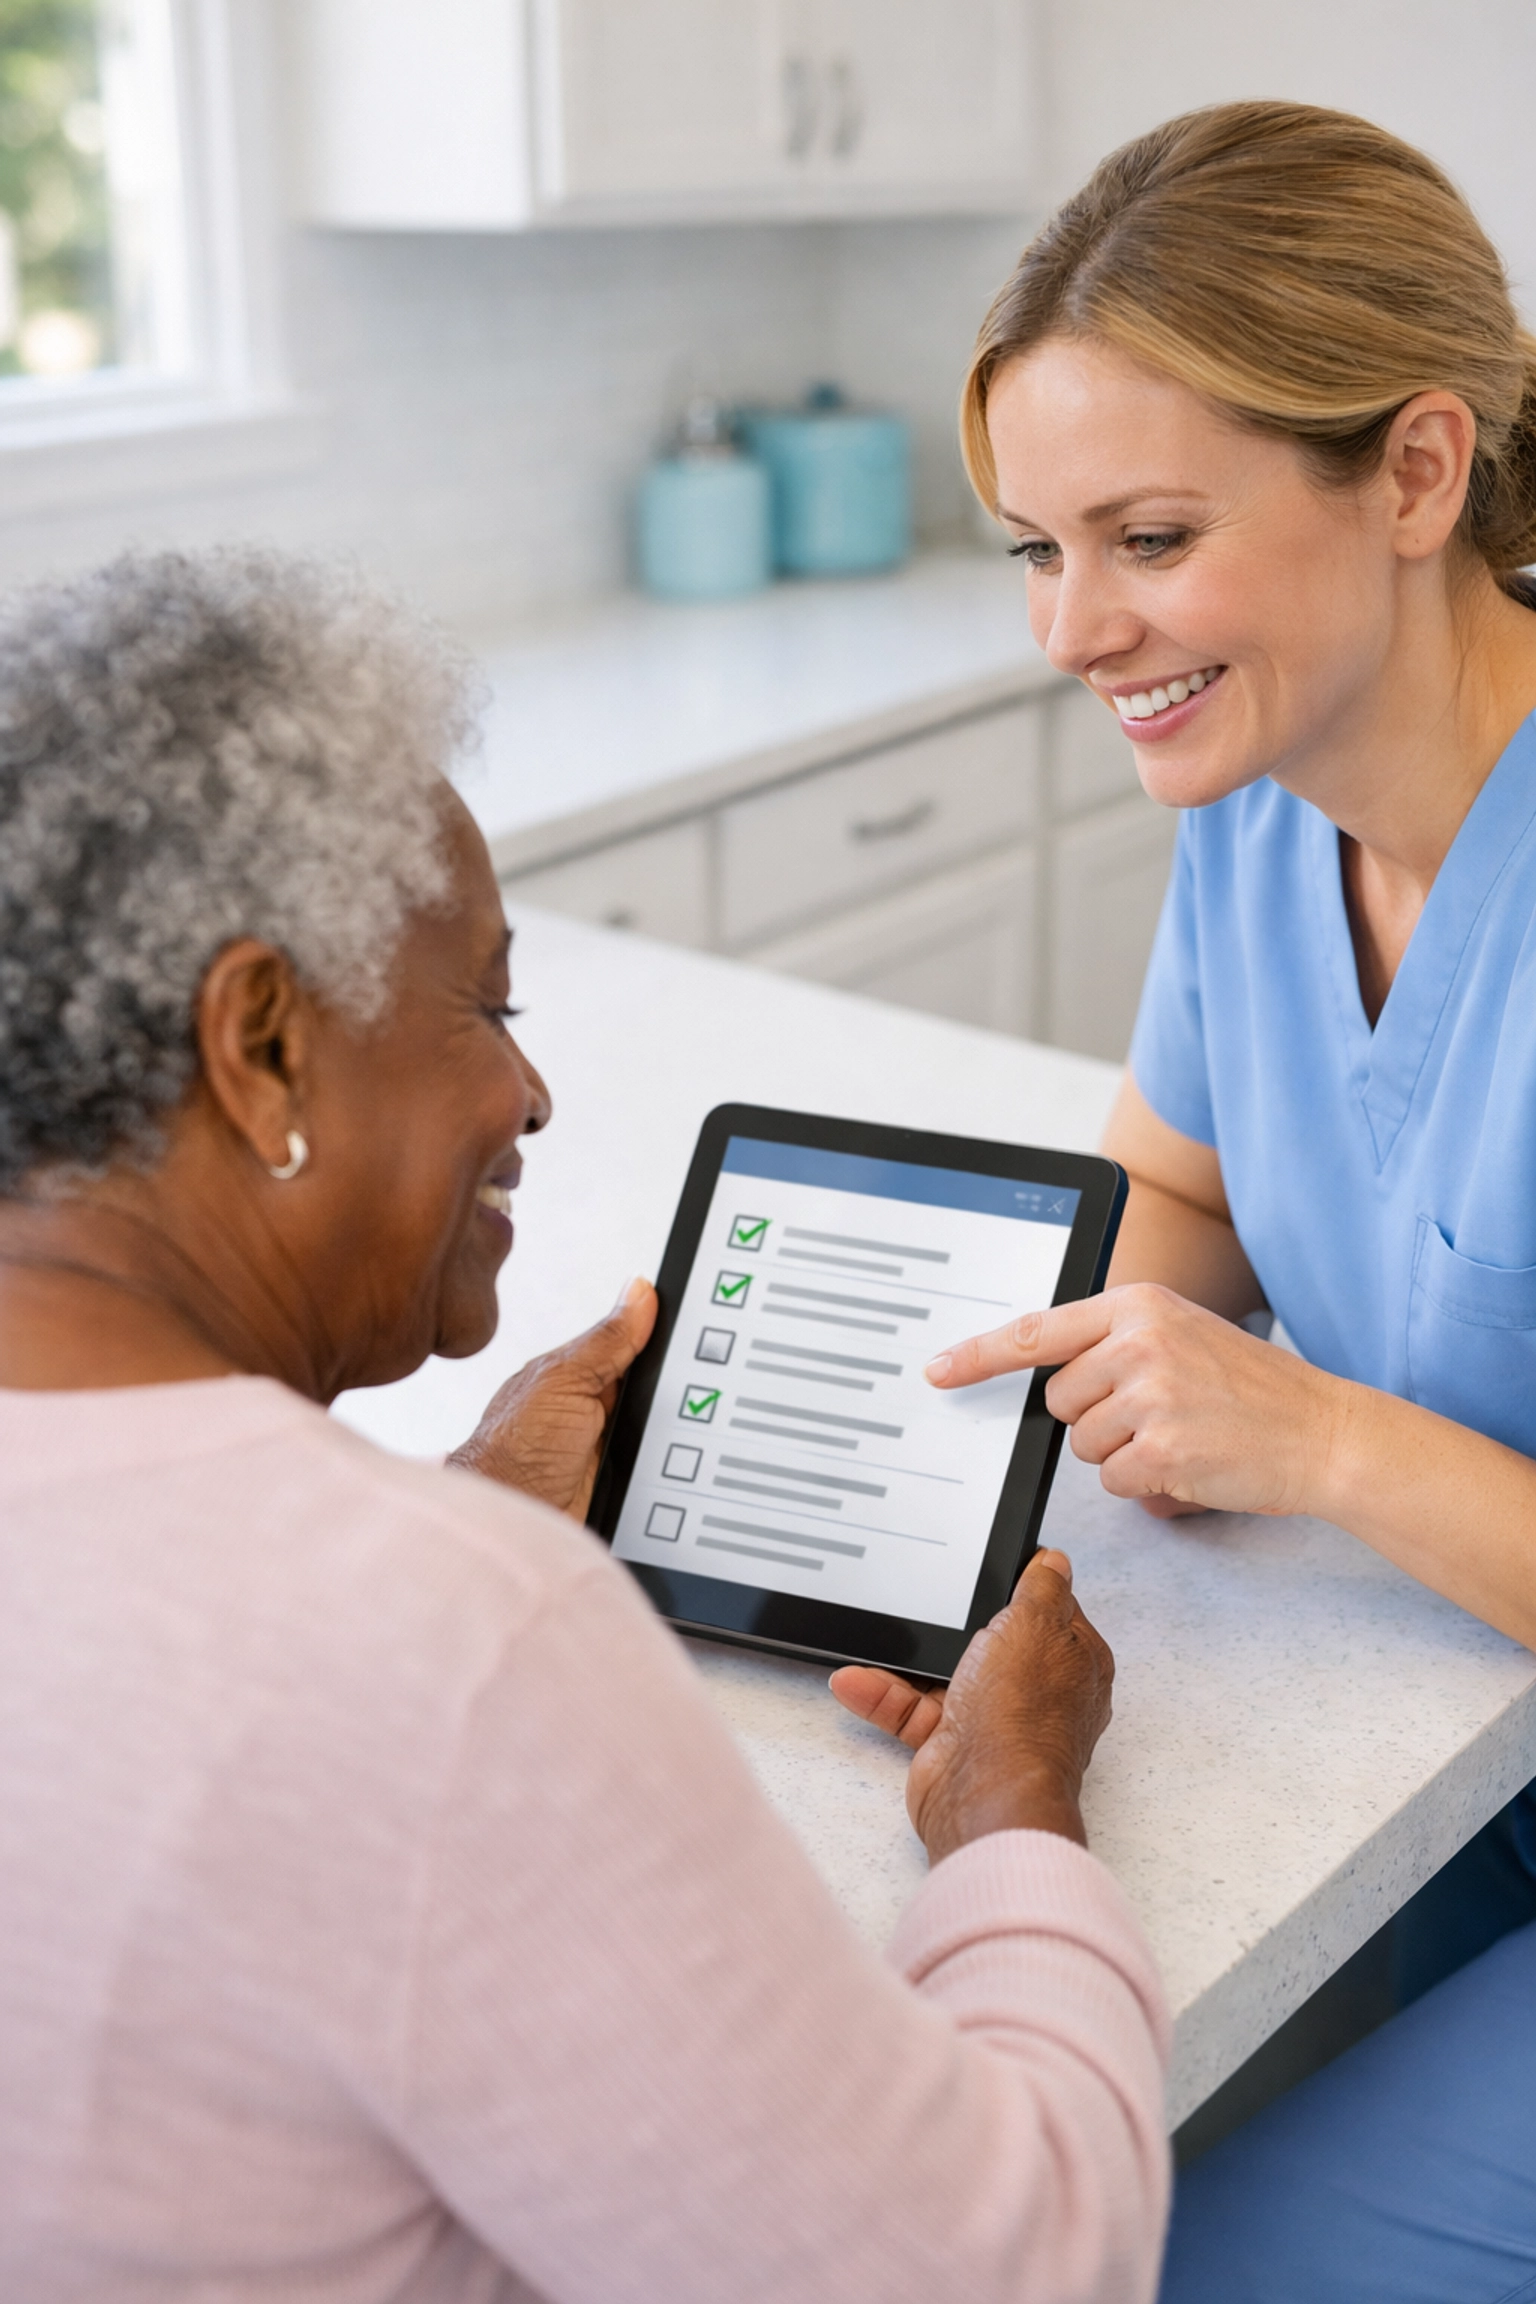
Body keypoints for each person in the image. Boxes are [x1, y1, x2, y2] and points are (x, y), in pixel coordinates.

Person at [0, 546, 1170, 2302]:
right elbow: (1015, 2269)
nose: (530, 1090)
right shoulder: (447, 1650)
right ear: (260, 1043)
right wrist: (1013, 1807)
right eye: (488, 1004)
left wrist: (464, 1514)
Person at [928, 100, 1536, 2300]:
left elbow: (1312, 1410)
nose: (1073, 628)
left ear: (1417, 472)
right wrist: (985, 1437)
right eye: (1036, 548)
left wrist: (1322, 1443)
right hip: (1447, 1746)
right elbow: (1181, 1195)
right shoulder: (1262, 804)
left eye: (1151, 536)